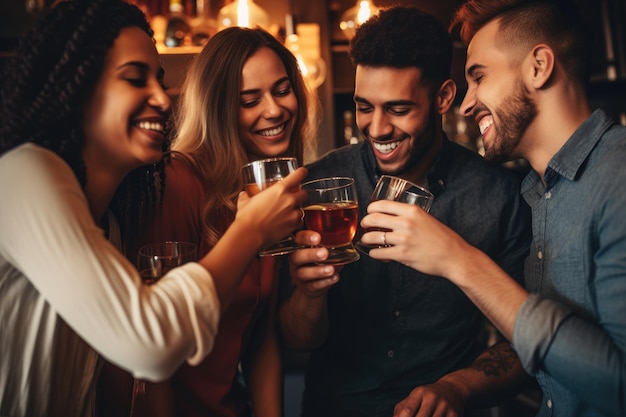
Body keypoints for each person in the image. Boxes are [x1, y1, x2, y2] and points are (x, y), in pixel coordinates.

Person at [0, 1, 307, 416]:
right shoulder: (24, 173)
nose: (163, 99)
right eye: (134, 79)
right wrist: (249, 230)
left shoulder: (108, 222)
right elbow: (149, 349)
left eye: (160, 80)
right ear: (77, 88)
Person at [360, 0, 626, 416]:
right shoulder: (537, 194)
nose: (466, 105)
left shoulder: (619, 176)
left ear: (539, 66)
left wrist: (459, 261)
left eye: (478, 78)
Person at [279, 5, 534, 417]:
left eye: (398, 109)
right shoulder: (320, 186)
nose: (377, 128)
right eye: (365, 107)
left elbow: (529, 343)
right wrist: (310, 295)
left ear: (443, 98)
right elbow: (296, 339)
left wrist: (456, 388)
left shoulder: (499, 197)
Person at [97, 26, 318, 417]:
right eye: (250, 100)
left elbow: (262, 334)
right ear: (219, 110)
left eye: (282, 90)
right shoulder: (177, 183)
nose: (274, 110)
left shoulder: (269, 190)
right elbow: (152, 353)